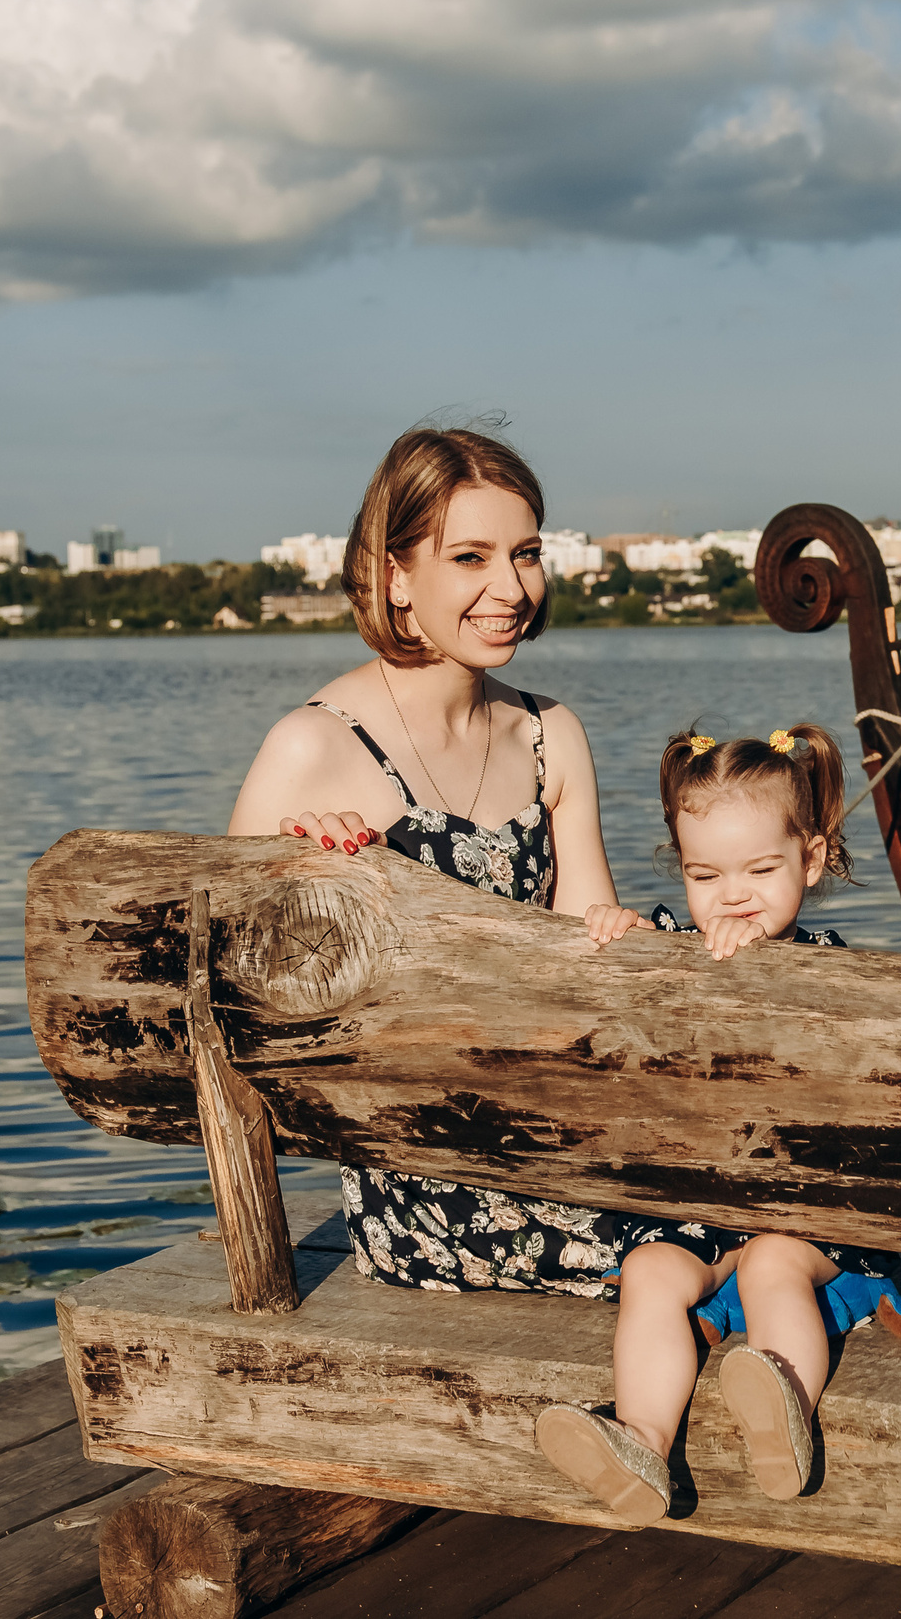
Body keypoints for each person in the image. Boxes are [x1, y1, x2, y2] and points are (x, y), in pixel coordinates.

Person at [227, 424, 635, 1298]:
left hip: (558, 1124)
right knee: (694, 1239)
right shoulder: (312, 749)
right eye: (470, 557)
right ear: (396, 576)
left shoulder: (548, 734)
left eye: (525, 553)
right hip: (422, 1174)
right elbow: (233, 1013)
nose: (509, 587)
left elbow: (593, 970)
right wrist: (311, 886)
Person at [537, 725, 901, 1526]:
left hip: (805, 1210)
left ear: (810, 861)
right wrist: (625, 941)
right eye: (705, 874)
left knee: (774, 1264)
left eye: (760, 870)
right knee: (650, 1270)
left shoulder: (828, 962)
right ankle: (642, 1435)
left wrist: (761, 968)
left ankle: (785, 1407)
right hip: (706, 1208)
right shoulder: (679, 944)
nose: (732, 894)